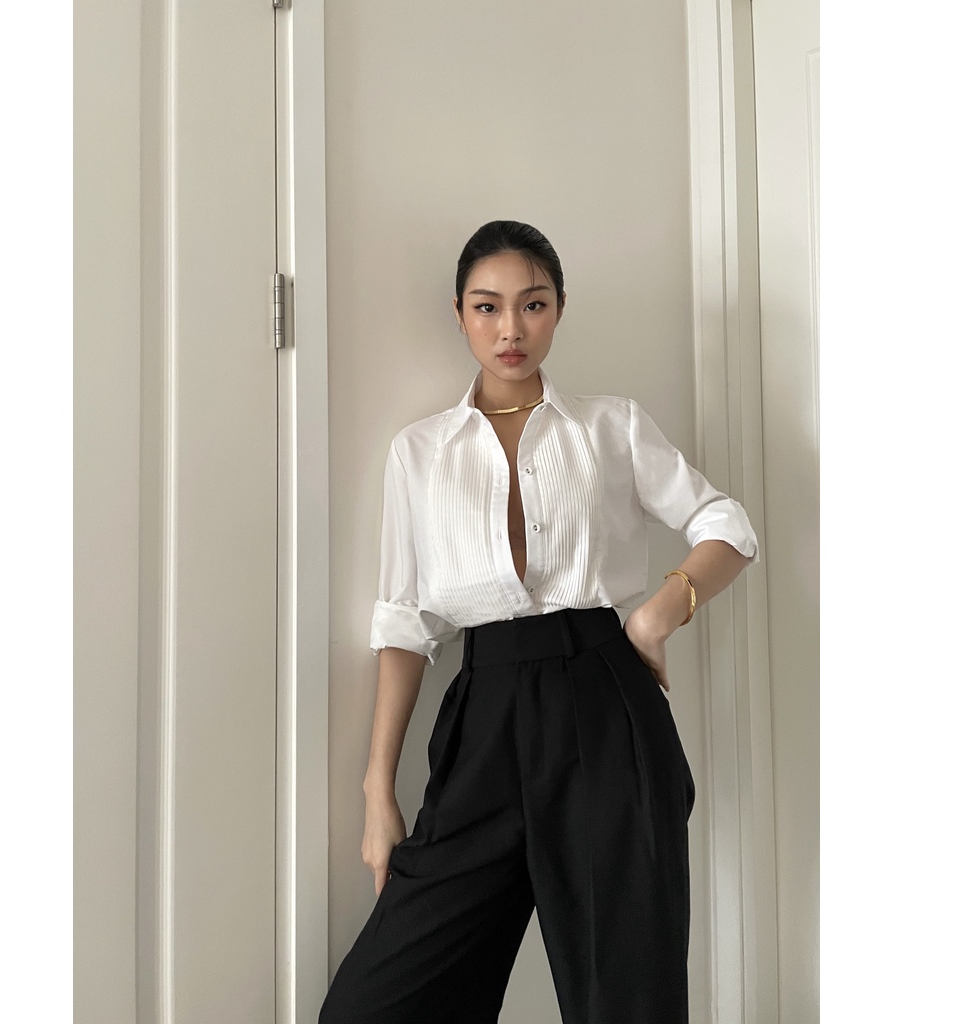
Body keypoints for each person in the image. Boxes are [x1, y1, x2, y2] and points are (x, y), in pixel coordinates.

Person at [319, 221, 758, 1024]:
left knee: (625, 997)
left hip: (604, 699)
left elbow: (726, 526)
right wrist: (379, 790)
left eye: (533, 304)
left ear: (558, 310)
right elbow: (407, 624)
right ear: (459, 314)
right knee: (373, 1007)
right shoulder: (420, 452)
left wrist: (658, 615)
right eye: (487, 307)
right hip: (481, 717)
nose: (510, 328)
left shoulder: (610, 427)